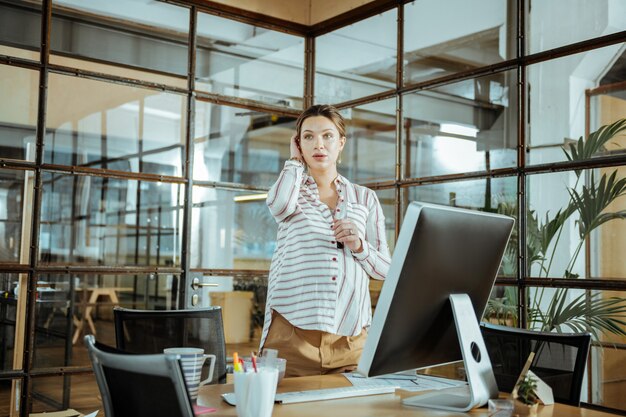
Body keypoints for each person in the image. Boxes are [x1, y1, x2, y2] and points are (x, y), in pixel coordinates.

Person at [261, 104, 391, 377]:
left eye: (327, 136)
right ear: (298, 144)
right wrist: (294, 163)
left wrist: (359, 246)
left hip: (351, 338)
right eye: (308, 136)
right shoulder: (291, 191)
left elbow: (385, 269)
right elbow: (279, 206)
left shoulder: (365, 198)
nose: (318, 144)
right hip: (292, 336)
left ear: (341, 142)